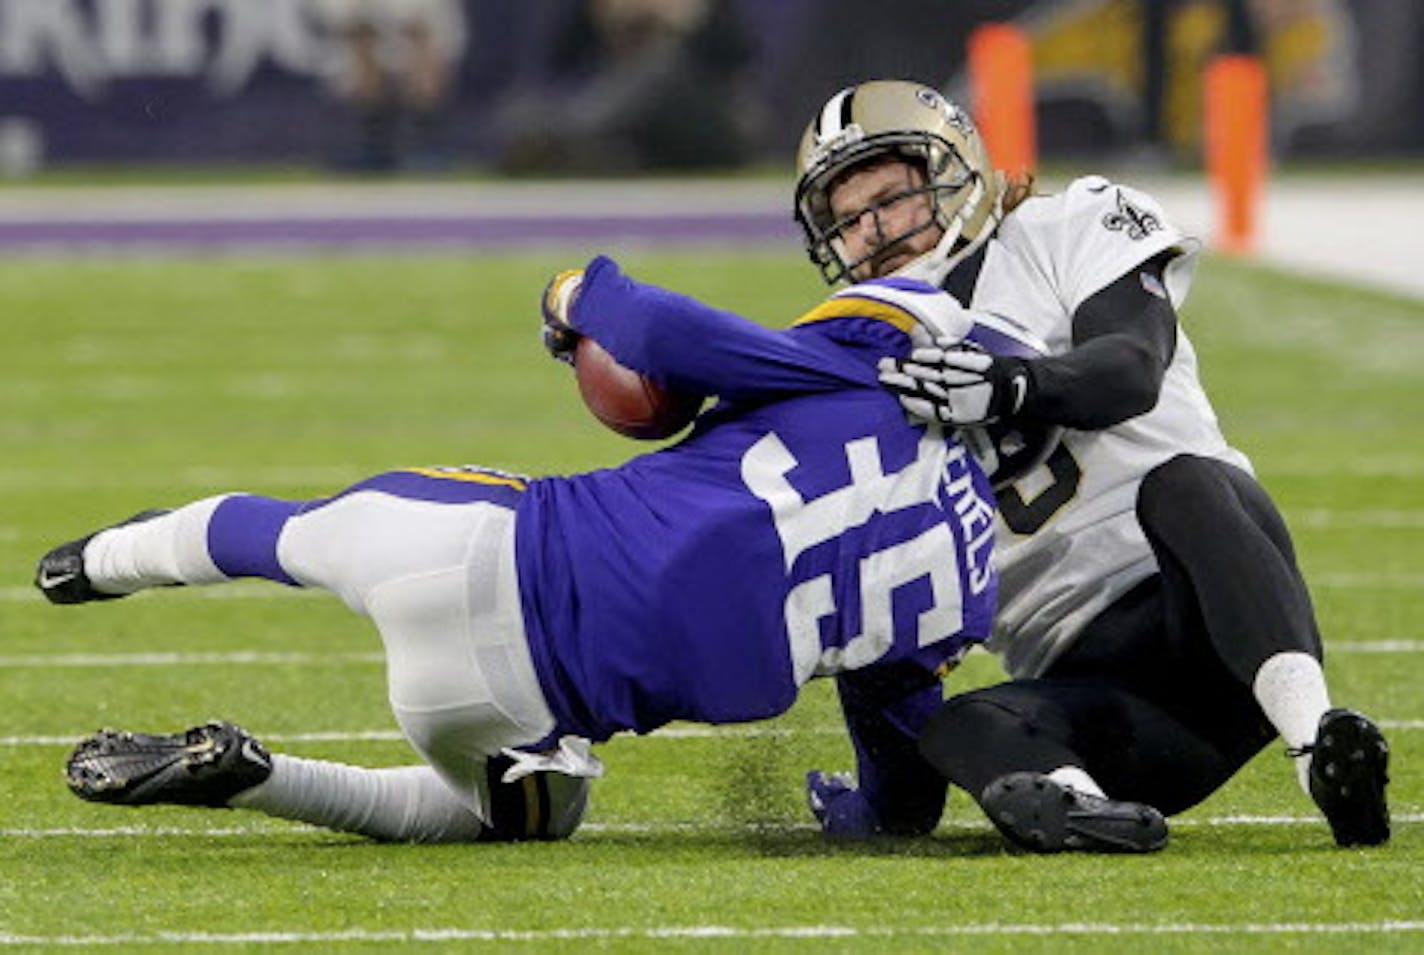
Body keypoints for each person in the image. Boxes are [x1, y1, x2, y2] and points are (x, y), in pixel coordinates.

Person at [36, 258, 1000, 844]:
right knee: (507, 813)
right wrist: (854, 809)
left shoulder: (870, 366)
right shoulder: (965, 590)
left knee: (280, 533)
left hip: (466, 544)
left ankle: (95, 562)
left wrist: (573, 294)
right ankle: (266, 781)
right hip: (501, 709)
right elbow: (904, 800)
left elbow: (658, 328)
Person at [789, 79, 1390, 852]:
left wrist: (1013, 386)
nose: (873, 232)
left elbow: (1132, 367)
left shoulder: (1062, 228)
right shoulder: (851, 368)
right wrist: (884, 798)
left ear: (954, 172)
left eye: (892, 198)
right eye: (846, 219)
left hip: (1218, 606)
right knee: (964, 720)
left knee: (1187, 482)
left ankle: (1319, 748)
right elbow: (891, 608)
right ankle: (1083, 806)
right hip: (1104, 699)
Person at [313, 0, 465, 171]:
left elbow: (440, 35)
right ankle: (373, 144)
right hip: (357, 59)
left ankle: (424, 143)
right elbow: (340, 23)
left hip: (417, 55)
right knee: (361, 36)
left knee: (423, 40)